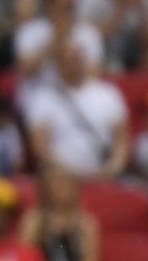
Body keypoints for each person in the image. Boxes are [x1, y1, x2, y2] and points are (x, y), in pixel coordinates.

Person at [26, 41, 129, 178]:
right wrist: (69, 173)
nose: (73, 64)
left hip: (104, 175)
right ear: (58, 64)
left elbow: (121, 139)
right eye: (68, 60)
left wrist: (112, 168)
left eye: (77, 59)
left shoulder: (108, 94)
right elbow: (40, 146)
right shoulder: (43, 98)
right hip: (61, 177)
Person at [19, 167, 100, 261]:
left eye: (66, 183)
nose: (61, 187)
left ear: (75, 188)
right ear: (46, 187)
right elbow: (25, 257)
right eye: (56, 182)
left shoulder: (86, 224)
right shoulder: (34, 221)